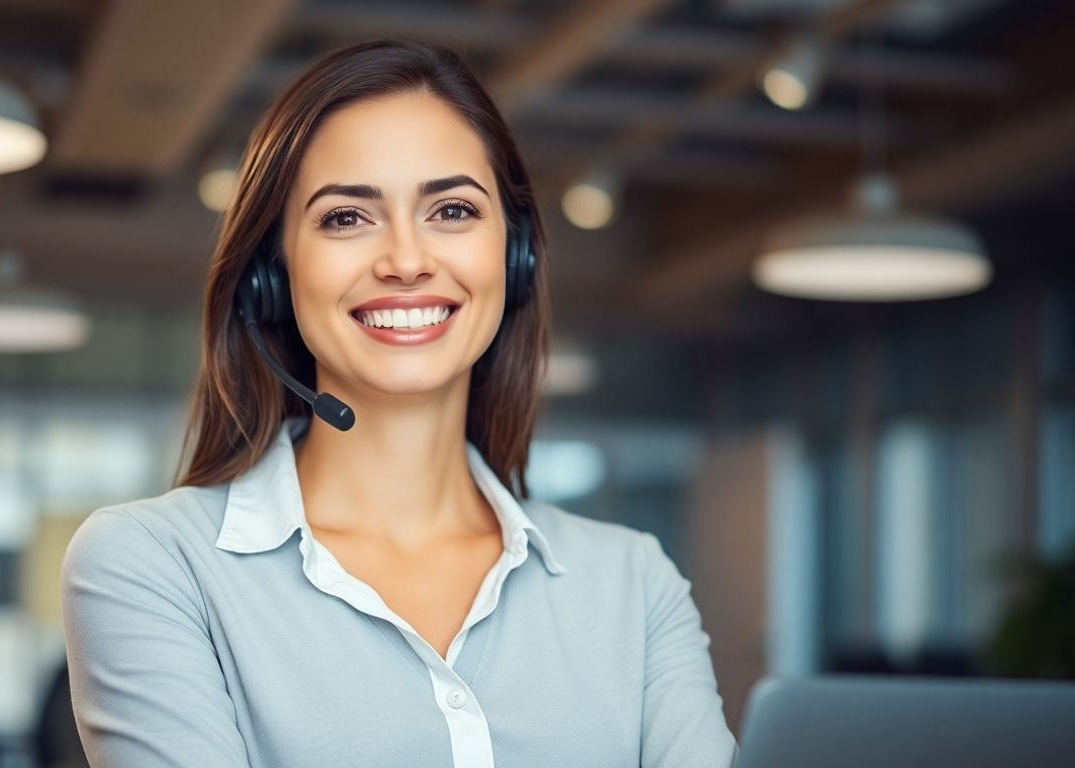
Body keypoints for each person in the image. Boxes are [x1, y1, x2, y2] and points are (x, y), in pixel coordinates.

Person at [61, 38, 737, 768]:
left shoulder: (634, 585)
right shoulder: (154, 567)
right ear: (271, 274)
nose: (408, 260)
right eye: (347, 218)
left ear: (514, 259)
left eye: (451, 209)